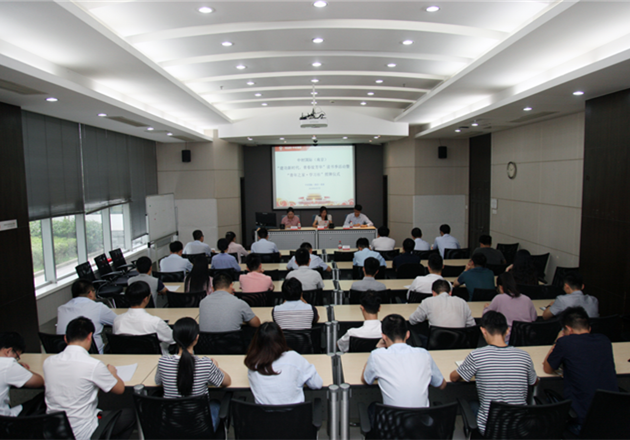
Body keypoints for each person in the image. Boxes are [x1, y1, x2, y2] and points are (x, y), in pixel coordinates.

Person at [44, 317, 134, 440]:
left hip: (54, 431)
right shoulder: (93, 365)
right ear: (89, 337)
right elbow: (120, 389)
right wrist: (113, 373)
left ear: (65, 338)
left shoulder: (48, 362)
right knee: (129, 415)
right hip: (82, 432)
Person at [450, 311, 538, 435]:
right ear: (507, 330)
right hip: (519, 427)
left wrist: (466, 366)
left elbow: (453, 378)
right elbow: (534, 382)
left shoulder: (477, 356)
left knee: (472, 404)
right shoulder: (524, 356)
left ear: (483, 331)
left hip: (491, 429)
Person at [543, 307, 617, 434]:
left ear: (569, 329)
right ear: (589, 328)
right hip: (611, 420)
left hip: (582, 423)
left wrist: (557, 341)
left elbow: (547, 368)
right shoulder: (604, 340)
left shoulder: (565, 342)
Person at [155, 317, 231, 431]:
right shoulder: (205, 364)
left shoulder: (163, 362)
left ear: (174, 338)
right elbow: (227, 382)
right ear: (197, 338)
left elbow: (158, 382)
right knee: (215, 404)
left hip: (172, 426)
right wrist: (216, 367)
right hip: (200, 428)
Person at [362, 314, 446, 409]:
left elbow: (366, 380)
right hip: (423, 417)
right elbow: (441, 385)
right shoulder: (424, 354)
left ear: (384, 337)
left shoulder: (377, 355)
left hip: (394, 418)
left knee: (372, 407)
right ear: (408, 334)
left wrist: (377, 349)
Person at [245, 322, 323, 405]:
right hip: (295, 413)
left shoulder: (253, 364)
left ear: (256, 341)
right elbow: (317, 384)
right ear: (281, 338)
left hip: (262, 413)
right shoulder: (293, 358)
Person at [113, 281, 175, 355]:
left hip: (126, 359)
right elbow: (173, 339)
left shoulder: (117, 320)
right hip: (154, 359)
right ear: (146, 299)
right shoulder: (155, 322)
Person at [57, 279, 117, 354]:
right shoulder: (98, 307)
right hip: (93, 355)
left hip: (65, 354)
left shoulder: (61, 309)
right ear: (90, 293)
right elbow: (119, 322)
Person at [0, 332, 45, 417]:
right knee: (43, 397)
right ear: (8, 351)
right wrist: (24, 370)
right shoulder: (8, 364)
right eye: (16, 357)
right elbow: (39, 381)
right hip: (4, 420)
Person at [484, 272, 537, 342]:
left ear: (501, 287)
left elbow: (486, 317)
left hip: (507, 339)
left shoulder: (499, 298)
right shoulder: (527, 299)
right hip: (526, 339)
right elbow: (534, 318)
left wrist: (486, 308)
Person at [409, 279, 475, 328]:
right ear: (450, 292)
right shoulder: (462, 302)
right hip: (459, 340)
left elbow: (412, 320)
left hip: (436, 341)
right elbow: (471, 325)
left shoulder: (427, 302)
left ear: (433, 293)